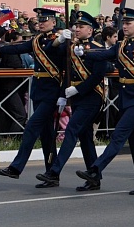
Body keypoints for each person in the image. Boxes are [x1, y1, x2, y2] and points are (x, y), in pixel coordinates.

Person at [76, 8, 134, 195]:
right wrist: (84, 53)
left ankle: (95, 170)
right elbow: (103, 54)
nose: (125, 26)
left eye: (129, 24)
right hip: (125, 98)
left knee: (118, 135)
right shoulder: (121, 46)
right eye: (124, 23)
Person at [36, 11, 109, 190]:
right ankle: (94, 177)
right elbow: (50, 54)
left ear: (90, 30)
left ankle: (54, 171)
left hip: (91, 97)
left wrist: (78, 89)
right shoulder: (72, 46)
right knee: (85, 138)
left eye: (81, 27)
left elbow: (98, 75)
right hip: (75, 96)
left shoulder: (98, 48)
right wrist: (60, 40)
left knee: (72, 130)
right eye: (76, 26)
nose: (77, 29)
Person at [0, 8, 67, 187]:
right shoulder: (36, 40)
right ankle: (52, 174)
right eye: (39, 20)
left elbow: (63, 62)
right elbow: (19, 48)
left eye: (45, 20)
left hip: (52, 91)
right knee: (46, 134)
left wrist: (62, 40)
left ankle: (16, 167)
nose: (41, 23)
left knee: (31, 126)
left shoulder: (61, 41)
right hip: (38, 89)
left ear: (54, 22)